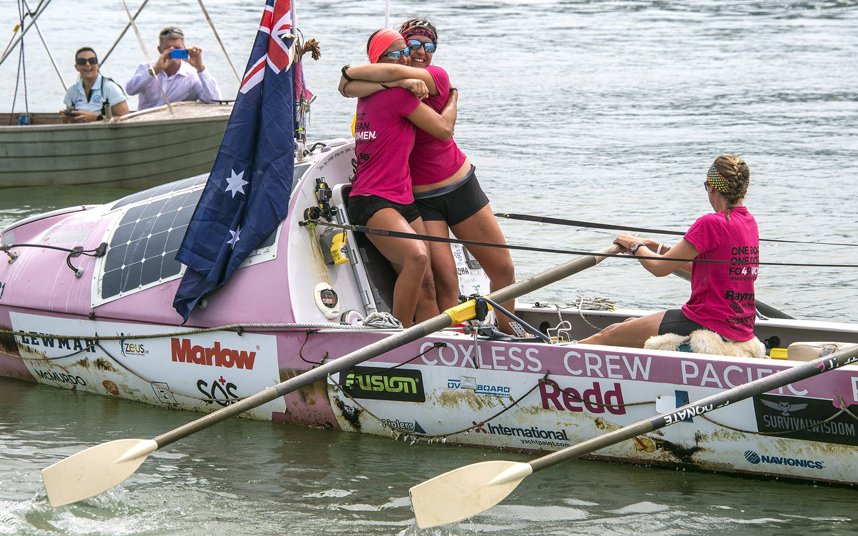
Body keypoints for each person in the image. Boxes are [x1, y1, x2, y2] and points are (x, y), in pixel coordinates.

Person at [339, 18, 518, 335]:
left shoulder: (434, 77)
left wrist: (355, 77)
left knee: (503, 269)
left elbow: (369, 78)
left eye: (429, 46)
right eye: (411, 46)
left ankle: (511, 336)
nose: (419, 53)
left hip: (460, 186)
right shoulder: (397, 88)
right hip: (419, 198)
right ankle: (447, 342)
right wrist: (352, 80)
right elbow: (353, 83)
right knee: (444, 280)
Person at [341, 28, 458, 327]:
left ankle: (431, 343)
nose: (405, 57)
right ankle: (397, 337)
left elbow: (347, 83)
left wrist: (403, 79)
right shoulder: (396, 95)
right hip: (371, 201)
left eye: (404, 51)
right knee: (417, 258)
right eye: (394, 54)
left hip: (402, 200)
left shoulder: (370, 89)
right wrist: (454, 97)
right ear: (378, 61)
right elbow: (444, 130)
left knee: (428, 282)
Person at [580, 155, 759, 348]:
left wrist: (635, 246)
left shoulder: (711, 222)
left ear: (712, 187)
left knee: (608, 335)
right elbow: (711, 271)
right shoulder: (748, 222)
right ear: (744, 189)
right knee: (625, 324)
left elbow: (659, 268)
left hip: (708, 319)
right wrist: (659, 248)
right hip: (740, 324)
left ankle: (551, 357)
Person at [126, 26, 221, 110]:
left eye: (177, 48)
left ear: (184, 49)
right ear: (160, 50)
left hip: (175, 122)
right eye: (168, 49)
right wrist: (155, 70)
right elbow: (130, 90)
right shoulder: (146, 67)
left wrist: (200, 68)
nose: (172, 52)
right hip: (146, 121)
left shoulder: (191, 75)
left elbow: (214, 101)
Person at [60, 47, 129, 123]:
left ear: (97, 65)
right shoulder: (72, 92)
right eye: (82, 61)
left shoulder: (110, 88)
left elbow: (125, 119)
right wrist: (66, 118)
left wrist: (98, 118)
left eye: (92, 61)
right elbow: (68, 123)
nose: (87, 64)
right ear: (76, 67)